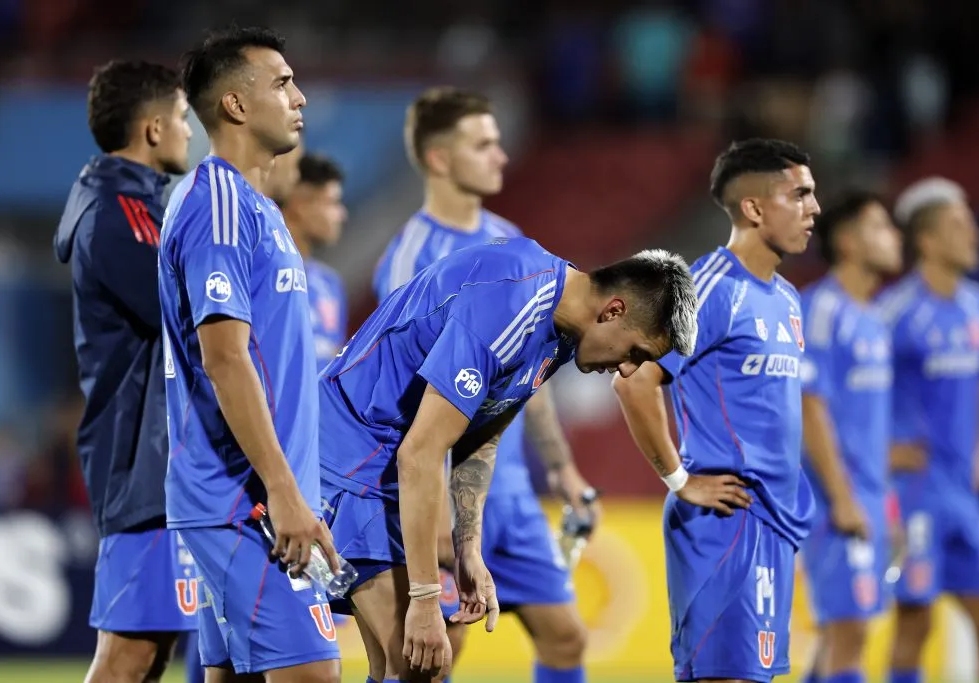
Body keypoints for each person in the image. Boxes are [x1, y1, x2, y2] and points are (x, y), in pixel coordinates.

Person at [321, 237, 698, 683]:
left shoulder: (560, 331)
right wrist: (424, 598)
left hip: (386, 465)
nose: (629, 370)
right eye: (636, 352)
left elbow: (481, 435)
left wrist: (468, 547)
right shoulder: (512, 300)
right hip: (351, 457)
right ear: (613, 311)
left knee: (408, 667)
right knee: (416, 661)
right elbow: (422, 452)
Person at [373, 86, 597, 683]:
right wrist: (434, 507)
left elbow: (535, 370)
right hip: (441, 484)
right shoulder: (411, 256)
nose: (501, 156)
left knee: (566, 637)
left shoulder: (508, 236)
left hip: (512, 489)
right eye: (484, 144)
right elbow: (402, 395)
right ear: (441, 159)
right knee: (433, 657)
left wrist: (562, 468)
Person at [159, 26, 341, 682]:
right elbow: (226, 358)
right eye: (283, 82)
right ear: (235, 105)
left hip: (250, 495)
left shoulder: (254, 208)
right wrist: (284, 490)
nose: (301, 97)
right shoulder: (220, 208)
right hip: (245, 501)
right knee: (313, 671)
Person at [612, 138, 820, 683]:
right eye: (799, 194)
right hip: (727, 524)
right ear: (753, 208)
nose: (813, 209)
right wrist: (680, 480)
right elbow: (634, 381)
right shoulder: (711, 287)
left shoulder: (787, 299)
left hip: (771, 524)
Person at [53, 59, 196, 683]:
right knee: (130, 652)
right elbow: (183, 312)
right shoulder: (118, 213)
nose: (192, 132)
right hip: (142, 462)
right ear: (155, 129)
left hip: (159, 458)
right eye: (186, 119)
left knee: (154, 647)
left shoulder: (139, 205)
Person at [879, 178, 979, 683]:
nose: (973, 233)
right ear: (927, 240)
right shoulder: (897, 313)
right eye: (959, 224)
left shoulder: (978, 305)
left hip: (961, 493)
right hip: (914, 495)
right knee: (916, 621)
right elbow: (848, 391)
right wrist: (880, 451)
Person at [797, 191, 903, 683]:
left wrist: (888, 506)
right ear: (847, 241)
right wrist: (842, 497)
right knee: (850, 636)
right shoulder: (821, 308)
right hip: (833, 501)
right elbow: (808, 403)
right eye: (881, 226)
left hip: (868, 497)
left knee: (844, 636)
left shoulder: (876, 319)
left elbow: (871, 425)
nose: (894, 237)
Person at [275, 148, 349, 366]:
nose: (341, 215)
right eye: (332, 202)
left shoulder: (330, 284)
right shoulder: (263, 272)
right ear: (301, 206)